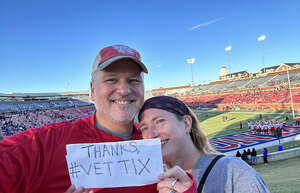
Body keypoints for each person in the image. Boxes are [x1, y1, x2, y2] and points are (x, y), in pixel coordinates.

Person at [0, 45, 195, 193]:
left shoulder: (155, 142)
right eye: (111, 79)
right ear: (92, 91)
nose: (124, 90)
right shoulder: (41, 144)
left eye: (133, 80)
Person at [138, 96, 270, 193]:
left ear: (186, 123)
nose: (151, 135)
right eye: (144, 127)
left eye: (160, 121)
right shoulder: (157, 183)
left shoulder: (234, 171)